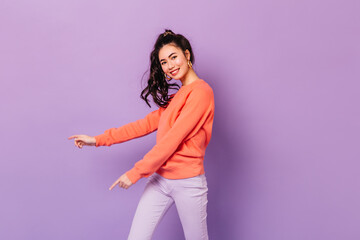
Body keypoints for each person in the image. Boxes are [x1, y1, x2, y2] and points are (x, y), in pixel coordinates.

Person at [68, 29, 215, 240]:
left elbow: (172, 140)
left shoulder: (201, 92)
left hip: (188, 183)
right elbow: (143, 125)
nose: (170, 65)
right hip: (161, 180)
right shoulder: (178, 97)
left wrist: (135, 173)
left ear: (187, 55)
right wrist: (97, 140)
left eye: (174, 57)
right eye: (164, 62)